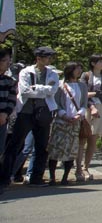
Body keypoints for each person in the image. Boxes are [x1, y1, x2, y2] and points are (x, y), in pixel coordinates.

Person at [1, 46, 59, 188]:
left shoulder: (52, 73)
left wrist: (37, 88)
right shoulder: (26, 72)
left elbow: (53, 90)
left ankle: (36, 177)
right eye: (47, 57)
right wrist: (43, 89)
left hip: (44, 110)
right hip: (25, 111)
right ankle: (6, 176)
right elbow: (25, 91)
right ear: (38, 58)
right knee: (16, 144)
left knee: (41, 146)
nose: (49, 60)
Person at [47, 61, 87, 185]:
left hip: (75, 122)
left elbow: (84, 103)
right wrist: (63, 115)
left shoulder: (82, 86)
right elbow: (57, 103)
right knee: (55, 149)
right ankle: (52, 177)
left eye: (80, 68)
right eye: (76, 68)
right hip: (61, 122)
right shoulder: (61, 85)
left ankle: (65, 177)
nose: (79, 71)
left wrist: (79, 115)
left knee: (71, 150)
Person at [78, 53, 102, 182]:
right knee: (82, 138)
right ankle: (78, 168)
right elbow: (82, 93)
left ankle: (86, 167)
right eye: (100, 61)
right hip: (86, 108)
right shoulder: (86, 75)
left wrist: (93, 94)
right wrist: (92, 103)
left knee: (93, 139)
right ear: (93, 63)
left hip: (101, 107)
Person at [0, 48, 15, 189]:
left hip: (3, 119)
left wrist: (5, 113)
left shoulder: (9, 81)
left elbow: (12, 100)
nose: (7, 64)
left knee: (1, 150)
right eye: (4, 61)